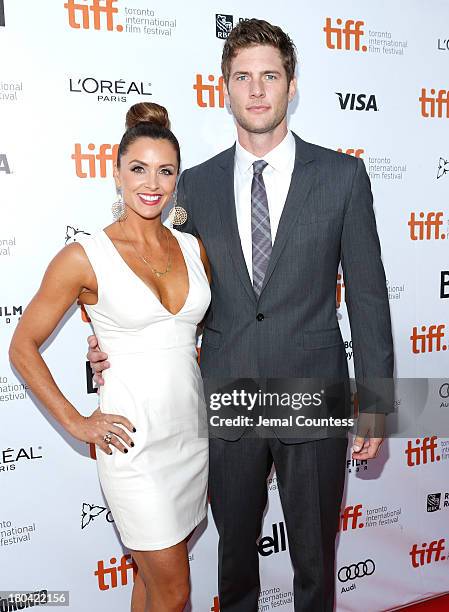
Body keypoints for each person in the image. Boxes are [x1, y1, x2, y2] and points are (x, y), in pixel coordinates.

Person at [88, 19, 394, 612]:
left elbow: (370, 297)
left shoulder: (342, 177)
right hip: (226, 394)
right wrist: (108, 350)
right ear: (224, 87)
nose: (256, 90)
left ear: (291, 85)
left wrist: (377, 404)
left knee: (314, 561)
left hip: (315, 393)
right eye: (242, 78)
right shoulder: (192, 186)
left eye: (269, 76)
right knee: (233, 564)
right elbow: (158, 287)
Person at [9, 103, 211, 612]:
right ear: (116, 171)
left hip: (190, 436)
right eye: (138, 168)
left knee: (149, 581)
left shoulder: (192, 248)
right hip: (133, 447)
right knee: (176, 591)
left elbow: (194, 335)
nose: (152, 183)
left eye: (165, 171)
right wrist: (78, 422)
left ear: (177, 179)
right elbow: (21, 345)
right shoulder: (84, 256)